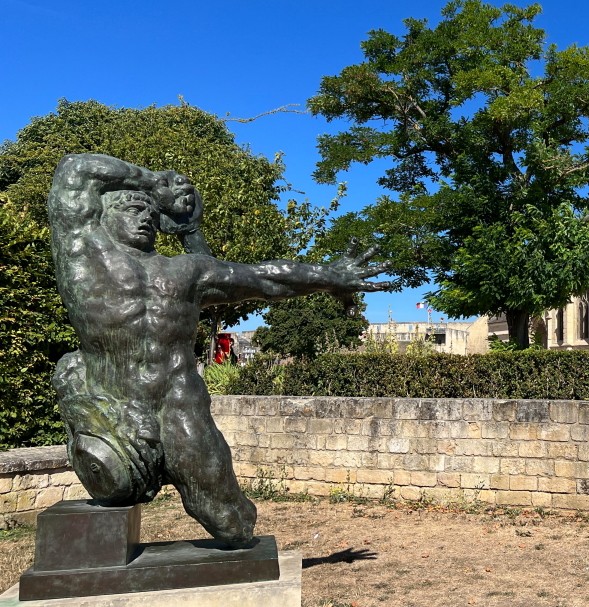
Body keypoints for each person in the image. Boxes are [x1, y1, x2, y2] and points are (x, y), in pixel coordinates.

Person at [47, 153, 393, 547]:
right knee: (114, 488)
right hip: (116, 410)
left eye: (149, 211)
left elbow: (266, 278)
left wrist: (332, 277)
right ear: (101, 215)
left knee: (233, 525)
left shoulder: (185, 272)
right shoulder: (84, 254)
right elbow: (74, 169)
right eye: (131, 206)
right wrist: (155, 183)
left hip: (179, 405)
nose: (143, 216)